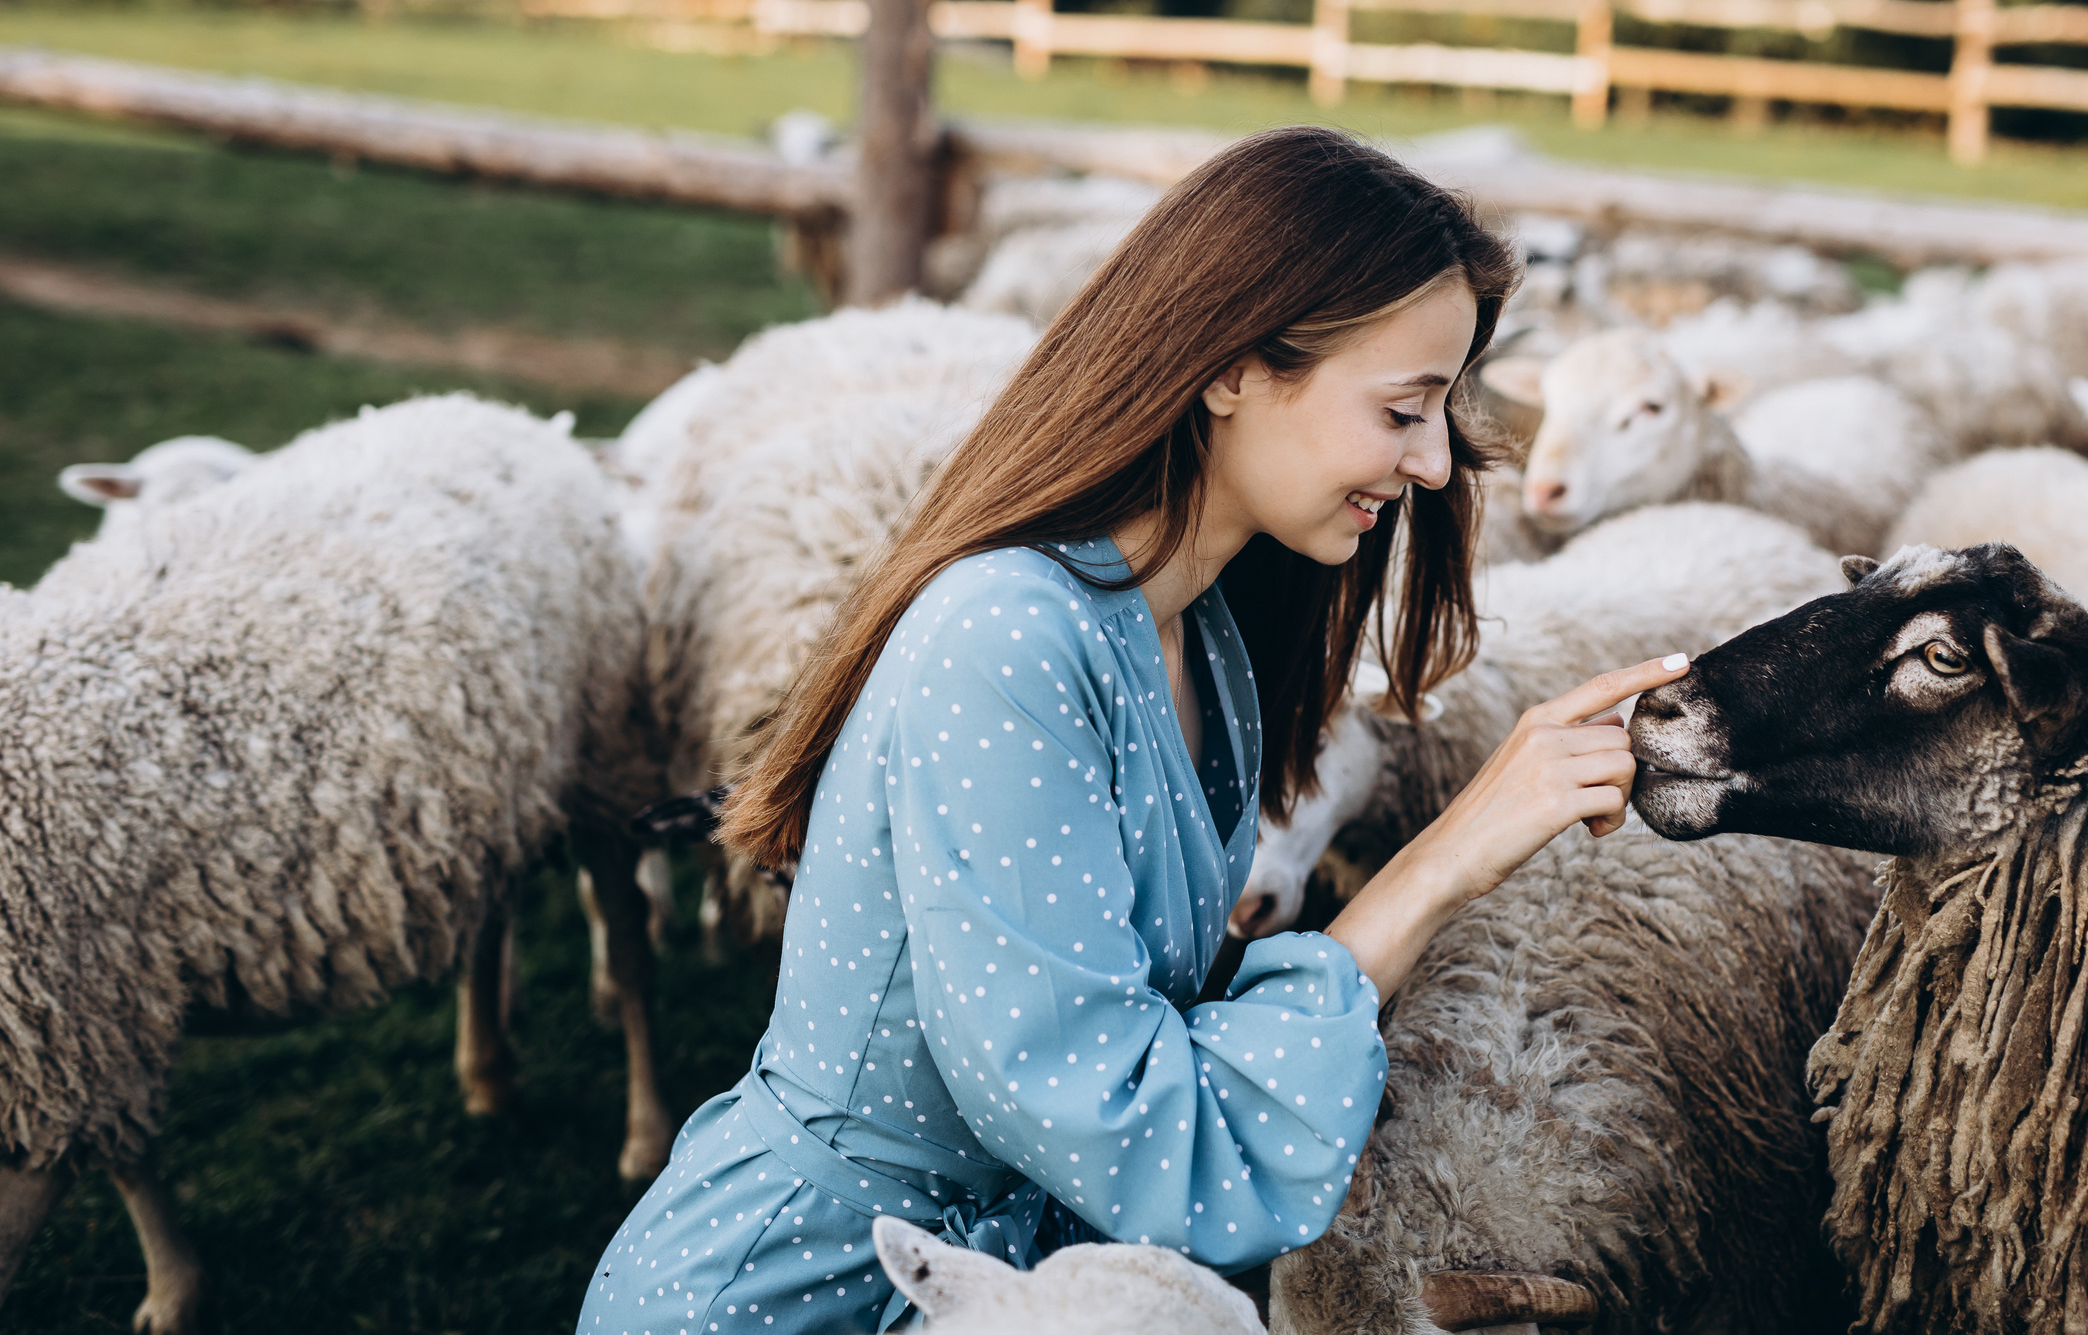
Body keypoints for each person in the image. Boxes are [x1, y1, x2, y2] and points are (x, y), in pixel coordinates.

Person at [576, 126, 1687, 1333]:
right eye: (1405, 408)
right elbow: (1138, 1135)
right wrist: (1432, 870)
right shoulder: (1007, 639)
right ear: (1230, 369)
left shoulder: (1199, 635)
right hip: (809, 1291)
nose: (1432, 462)